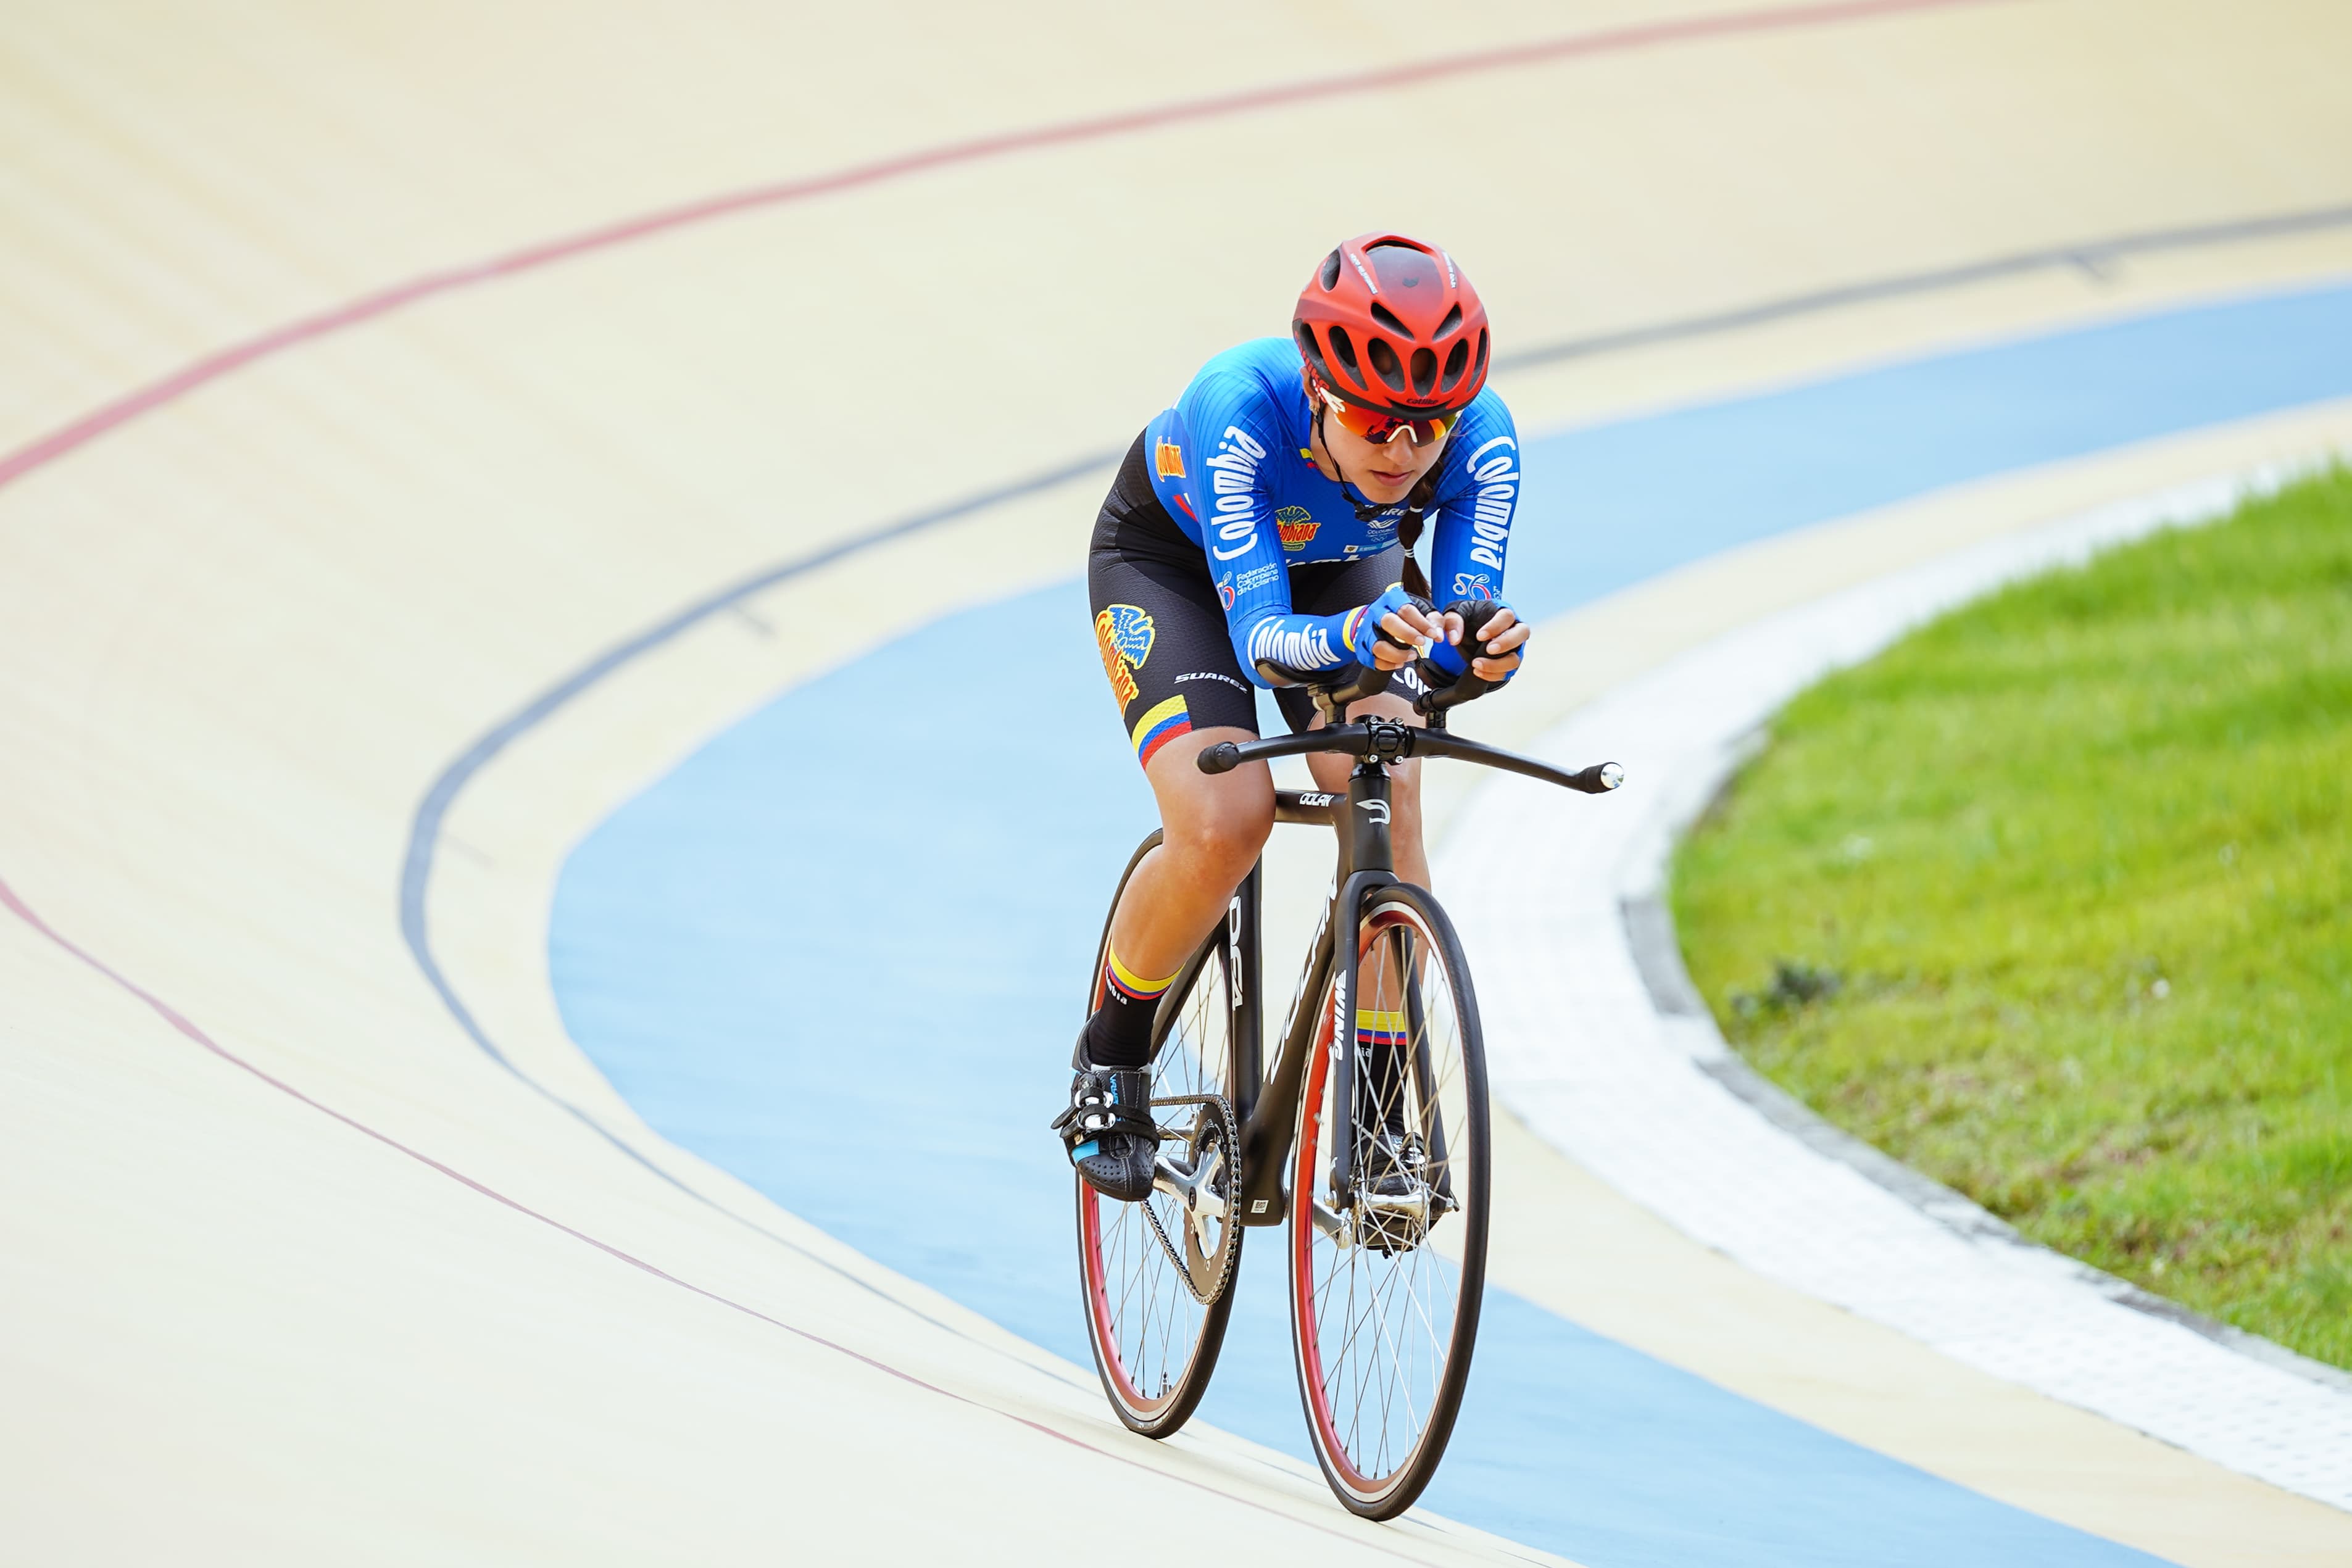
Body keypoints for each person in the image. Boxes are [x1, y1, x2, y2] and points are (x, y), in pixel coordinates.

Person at [1054, 233, 1531, 1201]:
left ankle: (1384, 1108)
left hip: (1340, 577)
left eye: (1429, 425)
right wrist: (1364, 633)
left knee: (1391, 798)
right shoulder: (1237, 408)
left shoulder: (1485, 441)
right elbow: (1267, 636)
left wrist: (1471, 656)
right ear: (1319, 389)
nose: (1405, 449)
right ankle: (1111, 1050)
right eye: (1376, 419)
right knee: (1229, 818)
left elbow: (1449, 631)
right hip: (1179, 570)